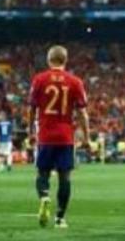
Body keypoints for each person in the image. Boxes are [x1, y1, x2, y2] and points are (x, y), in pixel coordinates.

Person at [28, 45, 89, 229]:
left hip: (45, 135)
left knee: (42, 173)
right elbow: (83, 113)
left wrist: (31, 131)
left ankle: (44, 196)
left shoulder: (39, 79)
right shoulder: (75, 81)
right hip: (65, 136)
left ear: (49, 60)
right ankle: (60, 218)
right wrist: (87, 137)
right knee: (65, 177)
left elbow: (32, 108)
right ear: (65, 60)